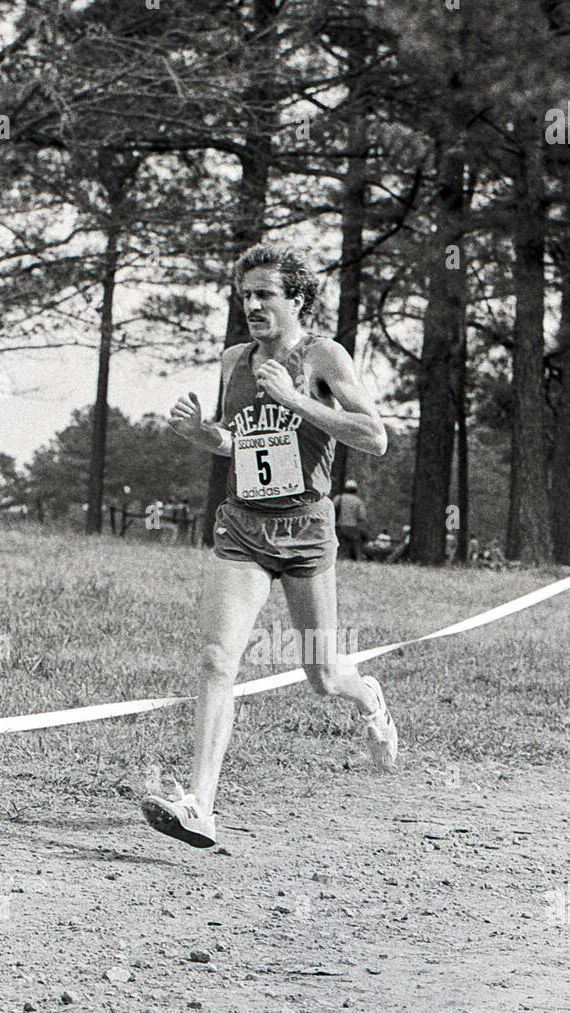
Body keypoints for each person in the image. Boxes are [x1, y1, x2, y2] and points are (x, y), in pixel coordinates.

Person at [140, 242, 398, 849]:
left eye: (265, 295)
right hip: (244, 528)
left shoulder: (322, 355)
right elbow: (242, 443)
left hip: (307, 531)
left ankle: (369, 697)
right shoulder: (234, 359)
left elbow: (375, 436)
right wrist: (203, 435)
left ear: (299, 299)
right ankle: (200, 804)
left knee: (323, 674)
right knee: (215, 659)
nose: (252, 305)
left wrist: (296, 399)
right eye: (245, 295)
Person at [333, 479, 368, 560]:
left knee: (339, 547)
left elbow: (331, 510)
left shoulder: (338, 498)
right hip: (352, 527)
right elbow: (362, 517)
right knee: (356, 548)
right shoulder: (358, 501)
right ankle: (358, 560)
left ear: (345, 488)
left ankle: (339, 559)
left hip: (339, 526)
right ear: (355, 490)